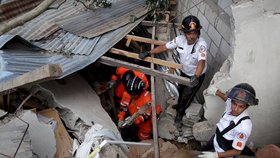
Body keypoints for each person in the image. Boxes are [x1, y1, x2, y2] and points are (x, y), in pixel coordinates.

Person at [139, 15, 208, 123]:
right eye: (189, 33)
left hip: (196, 75)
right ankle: (179, 104)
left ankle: (180, 112)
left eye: (195, 33)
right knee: (181, 90)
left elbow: (201, 62)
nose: (192, 36)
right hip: (184, 71)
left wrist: (196, 77)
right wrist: (148, 52)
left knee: (187, 95)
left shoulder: (201, 44)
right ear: (184, 33)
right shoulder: (179, 40)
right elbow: (164, 47)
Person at [200, 83, 259, 158]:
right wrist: (216, 91)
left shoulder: (245, 126)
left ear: (246, 107)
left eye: (241, 106)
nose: (235, 109)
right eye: (234, 104)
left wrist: (216, 155)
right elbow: (226, 99)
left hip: (224, 152)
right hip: (216, 139)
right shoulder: (230, 105)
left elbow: (237, 151)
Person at [117, 73, 161, 141]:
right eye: (131, 94)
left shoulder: (147, 98)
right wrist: (120, 118)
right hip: (133, 116)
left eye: (135, 95)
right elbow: (123, 108)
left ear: (141, 91)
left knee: (144, 134)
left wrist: (134, 121)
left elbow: (146, 116)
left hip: (146, 122)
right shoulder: (127, 94)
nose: (132, 96)